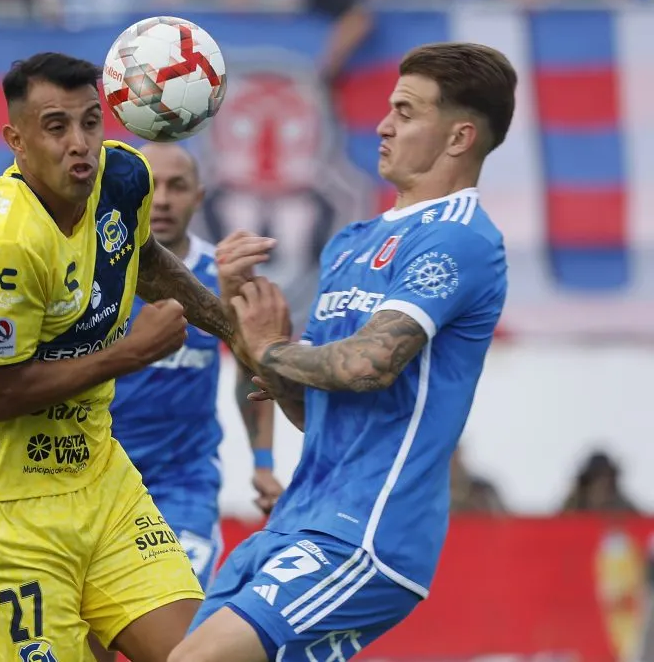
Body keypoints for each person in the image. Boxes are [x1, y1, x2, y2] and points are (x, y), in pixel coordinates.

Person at [0, 52, 266, 662]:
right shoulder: (7, 243)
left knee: (207, 654)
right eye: (56, 127)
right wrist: (130, 353)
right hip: (8, 509)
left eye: (91, 122)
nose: (81, 144)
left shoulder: (123, 179)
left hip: (101, 481)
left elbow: (141, 257)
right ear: (16, 141)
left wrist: (235, 329)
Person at [169, 42, 516, 662]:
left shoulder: (461, 239)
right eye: (389, 109)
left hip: (366, 532)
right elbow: (311, 407)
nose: (384, 125)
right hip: (295, 521)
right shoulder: (352, 242)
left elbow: (367, 365)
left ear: (460, 137)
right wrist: (234, 312)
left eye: (406, 113)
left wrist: (269, 349)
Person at [109, 141, 282, 592]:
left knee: (181, 619)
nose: (163, 198)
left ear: (199, 198)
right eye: (152, 186)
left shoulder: (224, 276)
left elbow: (253, 372)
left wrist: (263, 462)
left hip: (183, 484)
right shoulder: (99, 273)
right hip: (98, 479)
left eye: (177, 186)